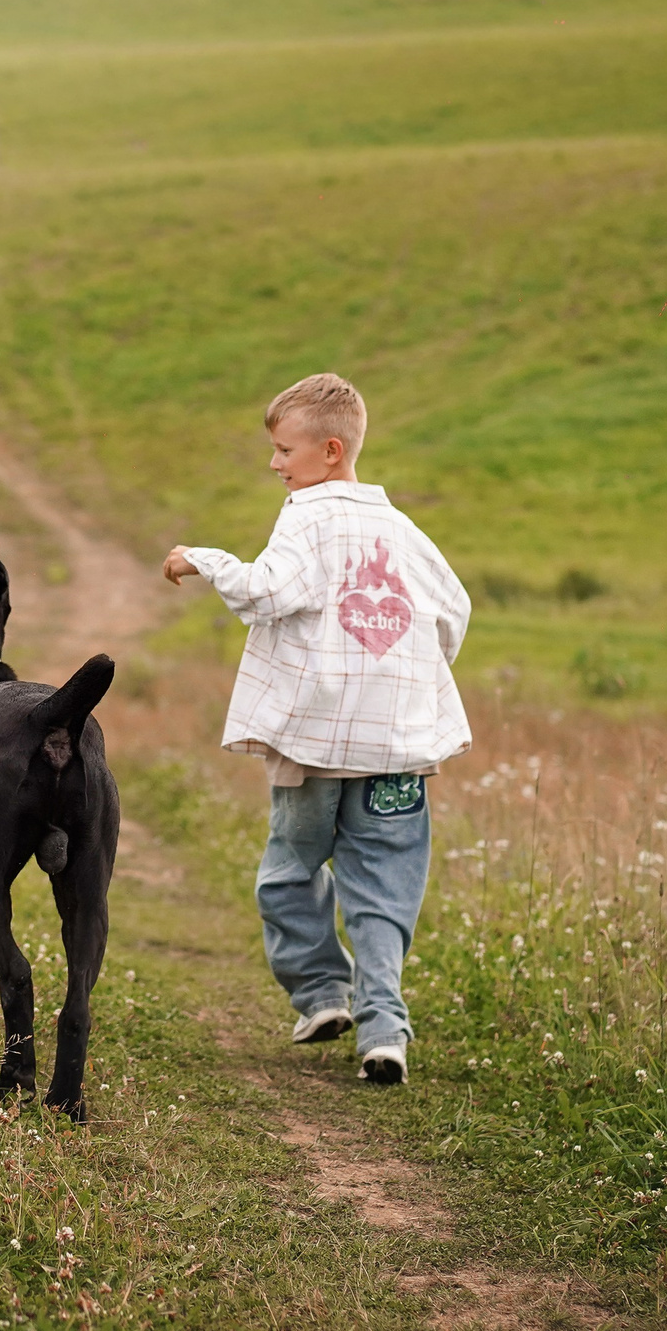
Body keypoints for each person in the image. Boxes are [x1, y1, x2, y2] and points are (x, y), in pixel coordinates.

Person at [162, 372, 470, 1084]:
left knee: (290, 872)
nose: (275, 465)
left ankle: (322, 992)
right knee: (384, 889)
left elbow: (268, 592)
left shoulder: (308, 515)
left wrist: (201, 559)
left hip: (314, 749)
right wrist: (406, 680)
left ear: (329, 451)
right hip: (396, 752)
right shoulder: (403, 528)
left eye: (283, 451)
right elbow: (452, 611)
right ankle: (383, 1030)